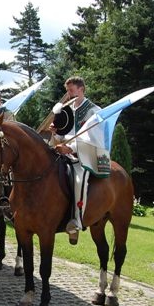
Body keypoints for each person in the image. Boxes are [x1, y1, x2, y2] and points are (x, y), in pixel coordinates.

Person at [49, 76, 101, 244]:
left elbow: (91, 138)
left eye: (71, 91)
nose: (69, 95)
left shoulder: (93, 111)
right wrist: (55, 132)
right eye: (68, 91)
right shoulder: (67, 110)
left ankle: (76, 222)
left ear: (81, 89)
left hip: (82, 155)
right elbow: (62, 135)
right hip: (63, 150)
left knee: (78, 180)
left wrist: (71, 148)